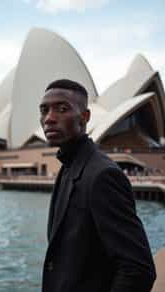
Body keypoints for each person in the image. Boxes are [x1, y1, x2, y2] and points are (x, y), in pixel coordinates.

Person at [39, 79, 156, 292]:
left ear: (85, 117)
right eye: (44, 110)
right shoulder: (68, 168)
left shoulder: (103, 175)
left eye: (62, 109)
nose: (49, 118)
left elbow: (138, 269)